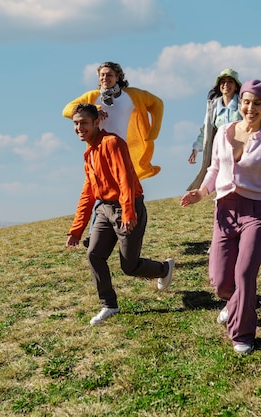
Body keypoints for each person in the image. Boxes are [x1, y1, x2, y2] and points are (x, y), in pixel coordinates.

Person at [181, 80, 261, 354]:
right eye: (246, 102)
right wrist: (201, 193)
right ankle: (233, 302)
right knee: (222, 282)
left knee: (245, 274)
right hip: (224, 211)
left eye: (257, 103)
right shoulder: (224, 132)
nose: (250, 108)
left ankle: (242, 334)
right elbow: (214, 169)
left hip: (257, 213)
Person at [65, 103, 174, 326]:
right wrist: (76, 230)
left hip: (127, 206)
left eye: (84, 123)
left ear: (96, 122)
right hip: (104, 209)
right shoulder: (90, 154)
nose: (79, 127)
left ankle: (164, 269)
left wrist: (128, 212)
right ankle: (109, 305)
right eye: (76, 124)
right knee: (94, 255)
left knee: (129, 266)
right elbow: (88, 193)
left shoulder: (112, 143)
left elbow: (125, 180)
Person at [187, 68, 261, 191]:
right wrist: (196, 149)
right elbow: (205, 131)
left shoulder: (244, 105)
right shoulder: (213, 108)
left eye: (230, 82)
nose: (226, 85)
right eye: (223, 82)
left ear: (235, 86)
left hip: (244, 150)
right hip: (223, 151)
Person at [62, 61, 164, 181]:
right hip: (98, 149)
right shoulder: (92, 97)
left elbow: (157, 103)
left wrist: (154, 129)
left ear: (118, 77)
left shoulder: (132, 95)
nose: (105, 78)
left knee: (125, 181)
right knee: (99, 181)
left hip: (122, 148)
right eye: (102, 75)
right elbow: (66, 110)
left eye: (109, 75)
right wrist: (93, 111)